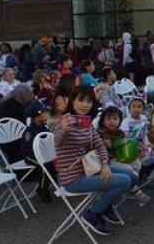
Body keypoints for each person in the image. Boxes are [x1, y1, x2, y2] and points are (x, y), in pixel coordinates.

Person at [54, 85, 131, 235]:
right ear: (72, 101)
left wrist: (105, 165)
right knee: (125, 181)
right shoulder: (65, 122)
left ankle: (105, 205)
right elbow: (58, 141)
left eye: (89, 101)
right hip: (73, 179)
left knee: (132, 175)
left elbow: (100, 146)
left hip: (91, 169)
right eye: (81, 100)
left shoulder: (86, 123)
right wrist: (62, 130)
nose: (85, 104)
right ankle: (93, 213)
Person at [96, 106, 151, 207]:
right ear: (103, 120)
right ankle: (135, 191)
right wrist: (106, 144)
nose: (112, 121)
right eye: (108, 119)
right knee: (129, 168)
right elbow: (99, 149)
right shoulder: (99, 133)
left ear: (120, 120)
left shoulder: (120, 133)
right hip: (106, 161)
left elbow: (125, 145)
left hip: (119, 157)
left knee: (137, 163)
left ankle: (129, 188)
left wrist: (136, 150)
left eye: (115, 119)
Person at [0, 84, 35, 163]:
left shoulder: (16, 102)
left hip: (8, 136)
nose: (32, 96)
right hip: (1, 138)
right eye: (30, 94)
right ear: (23, 94)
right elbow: (19, 128)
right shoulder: (12, 107)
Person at [19, 99, 56, 203]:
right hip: (30, 155)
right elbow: (26, 149)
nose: (47, 114)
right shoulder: (30, 131)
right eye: (44, 112)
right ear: (37, 115)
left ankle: (55, 182)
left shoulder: (43, 127)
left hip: (43, 154)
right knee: (44, 166)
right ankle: (42, 189)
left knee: (54, 162)